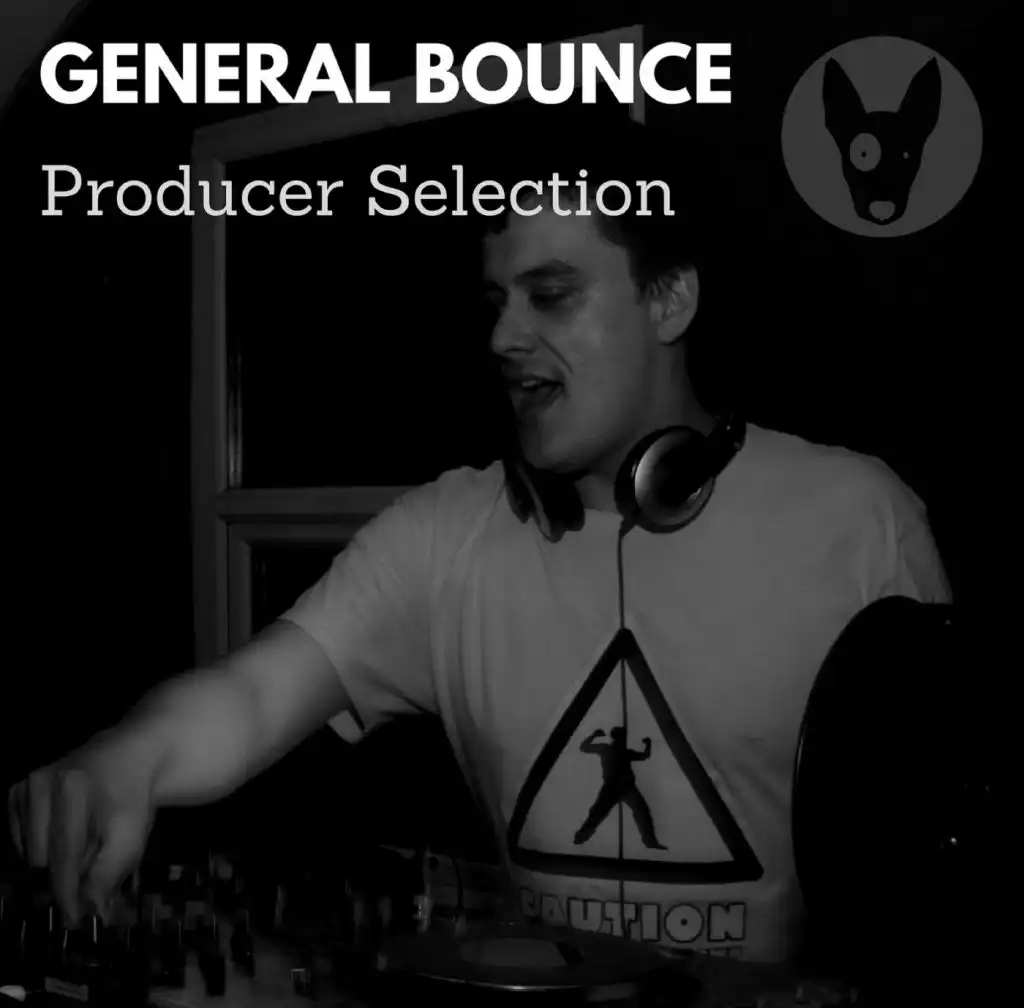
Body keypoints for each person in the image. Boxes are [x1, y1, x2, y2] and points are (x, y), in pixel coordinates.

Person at [6, 115, 949, 964]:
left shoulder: (857, 519)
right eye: (497, 300)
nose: (503, 336)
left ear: (669, 300)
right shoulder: (445, 536)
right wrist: (125, 757)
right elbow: (250, 697)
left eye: (552, 294)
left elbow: (939, 847)